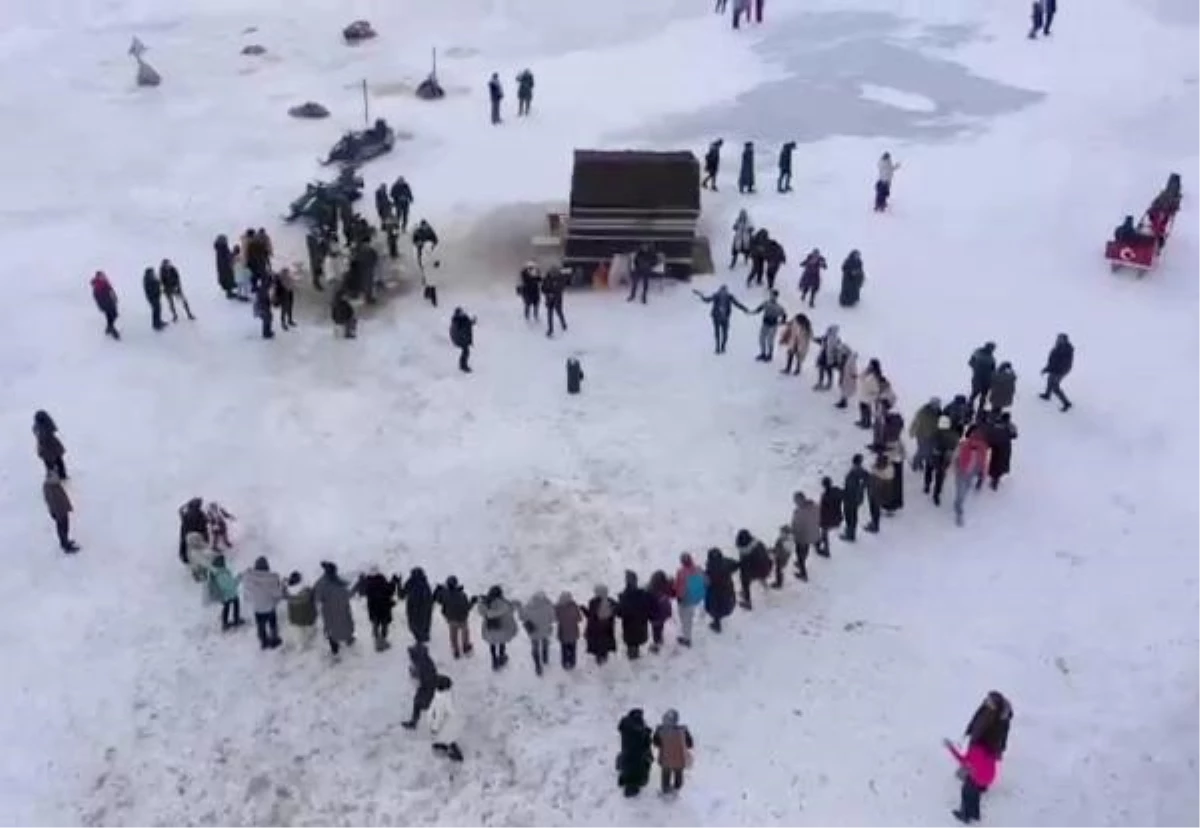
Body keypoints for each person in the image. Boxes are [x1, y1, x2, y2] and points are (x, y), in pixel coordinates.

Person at [943, 738, 997, 823]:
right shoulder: (989, 750)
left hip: (979, 779)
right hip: (990, 778)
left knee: (966, 790)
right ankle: (975, 814)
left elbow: (962, 760)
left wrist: (951, 748)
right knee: (975, 789)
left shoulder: (974, 751)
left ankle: (965, 815)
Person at [313, 561, 355, 656]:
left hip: (329, 611)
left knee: (331, 630)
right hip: (341, 609)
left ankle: (335, 650)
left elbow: (317, 598)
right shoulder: (338, 581)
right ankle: (349, 640)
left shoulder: (320, 583)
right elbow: (348, 593)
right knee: (346, 624)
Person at [242, 556, 284, 649]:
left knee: (260, 625)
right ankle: (274, 639)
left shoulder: (249, 578)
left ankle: (263, 641)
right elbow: (277, 594)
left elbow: (247, 594)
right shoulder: (271, 579)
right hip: (269, 607)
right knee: (272, 623)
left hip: (257, 608)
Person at [694, 285, 749, 354]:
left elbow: (706, 300)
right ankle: (722, 347)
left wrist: (701, 295)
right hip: (724, 317)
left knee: (717, 332)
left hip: (717, 317)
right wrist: (744, 309)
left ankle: (718, 348)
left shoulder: (717, 295)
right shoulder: (729, 296)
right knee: (724, 333)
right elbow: (737, 304)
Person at [952, 427, 990, 526]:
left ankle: (958, 504)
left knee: (963, 490)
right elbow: (983, 462)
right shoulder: (980, 446)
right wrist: (982, 473)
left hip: (965, 472)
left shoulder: (975, 446)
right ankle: (959, 508)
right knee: (962, 491)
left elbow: (956, 457)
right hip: (965, 472)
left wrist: (955, 467)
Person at [355, 567, 397, 651]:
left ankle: (377, 641)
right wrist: (393, 581)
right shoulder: (382, 580)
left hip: (373, 609)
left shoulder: (368, 583)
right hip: (384, 608)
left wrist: (361, 581)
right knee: (384, 625)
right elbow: (390, 590)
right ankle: (383, 641)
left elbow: (361, 592)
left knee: (375, 624)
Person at [653, 710, 694, 795]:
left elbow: (656, 743)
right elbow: (690, 744)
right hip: (679, 758)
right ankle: (676, 790)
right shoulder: (683, 730)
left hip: (665, 758)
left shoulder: (660, 730)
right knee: (678, 774)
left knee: (665, 775)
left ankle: (665, 791)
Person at [433, 576, 476, 658]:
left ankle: (456, 651)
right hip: (462, 619)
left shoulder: (444, 594)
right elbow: (467, 607)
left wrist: (438, 590)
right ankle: (465, 646)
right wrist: (472, 602)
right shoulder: (462, 595)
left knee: (453, 635)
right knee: (465, 633)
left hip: (451, 618)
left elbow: (437, 599)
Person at [478, 585, 518, 670]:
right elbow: (511, 610)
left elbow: (481, 612)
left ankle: (494, 660)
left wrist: (483, 601)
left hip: (489, 629)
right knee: (501, 642)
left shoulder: (485, 603)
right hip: (502, 629)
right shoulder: (504, 604)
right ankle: (501, 657)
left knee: (492, 644)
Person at [616, 709, 653, 797]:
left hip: (626, 752)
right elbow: (645, 741)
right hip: (637, 755)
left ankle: (626, 781)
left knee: (627, 766)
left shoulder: (625, 724)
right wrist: (647, 732)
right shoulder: (639, 726)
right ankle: (633, 785)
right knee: (637, 769)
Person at [518, 590, 556, 675]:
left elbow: (521, 618)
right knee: (545, 643)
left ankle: (538, 666)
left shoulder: (528, 607)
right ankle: (545, 658)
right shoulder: (548, 606)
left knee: (535, 647)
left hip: (534, 632)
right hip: (545, 631)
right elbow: (553, 619)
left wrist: (519, 608)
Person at [616, 572, 652, 659]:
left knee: (632, 644)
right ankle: (635, 655)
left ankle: (633, 659)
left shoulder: (625, 596)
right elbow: (648, 608)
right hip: (640, 626)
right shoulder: (643, 594)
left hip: (630, 628)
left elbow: (620, 613)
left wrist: (617, 605)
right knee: (636, 643)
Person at [402, 643, 439, 728]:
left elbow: (424, 677)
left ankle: (416, 723)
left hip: (427, 687)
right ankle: (415, 722)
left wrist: (414, 674)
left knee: (424, 704)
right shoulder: (423, 661)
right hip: (427, 687)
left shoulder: (423, 663)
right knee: (419, 704)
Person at [428, 675, 464, 762]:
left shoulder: (441, 698)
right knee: (447, 735)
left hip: (448, 722)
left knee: (445, 735)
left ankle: (452, 752)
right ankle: (445, 746)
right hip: (452, 721)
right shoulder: (447, 695)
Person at [672, 553, 706, 646]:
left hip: (684, 601)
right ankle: (687, 636)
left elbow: (676, 587)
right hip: (694, 599)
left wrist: (677, 595)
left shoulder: (681, 572)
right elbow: (706, 581)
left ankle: (687, 639)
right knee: (689, 618)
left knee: (685, 620)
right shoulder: (699, 569)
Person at [42, 469, 78, 553]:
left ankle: (65, 542)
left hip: (62, 509)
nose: (58, 478)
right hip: (59, 511)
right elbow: (51, 502)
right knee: (62, 527)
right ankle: (66, 545)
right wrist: (55, 512)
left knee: (64, 527)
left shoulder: (54, 485)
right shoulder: (50, 488)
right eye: (56, 477)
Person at [734, 529, 770, 609]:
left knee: (744, 577)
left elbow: (744, 566)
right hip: (767, 568)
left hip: (759, 570)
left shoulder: (747, 553)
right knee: (754, 570)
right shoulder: (758, 543)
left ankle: (747, 601)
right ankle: (764, 582)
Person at [703, 548, 738, 632]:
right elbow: (736, 564)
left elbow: (705, 584)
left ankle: (717, 623)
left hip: (717, 598)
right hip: (730, 597)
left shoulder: (709, 571)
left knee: (713, 601)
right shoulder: (726, 563)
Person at [398, 567, 435, 644]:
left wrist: (398, 584)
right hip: (423, 609)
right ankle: (423, 638)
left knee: (414, 626)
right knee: (423, 625)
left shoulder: (410, 582)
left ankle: (419, 641)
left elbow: (401, 595)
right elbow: (430, 599)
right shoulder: (424, 582)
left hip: (412, 608)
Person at [1039, 333, 1074, 411]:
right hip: (1055, 369)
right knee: (1049, 380)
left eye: (1061, 339)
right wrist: (1047, 368)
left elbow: (1062, 363)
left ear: (1065, 340)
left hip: (1060, 371)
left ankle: (1067, 403)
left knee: (1055, 386)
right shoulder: (1057, 347)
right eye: (1058, 338)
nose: (1058, 340)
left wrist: (1052, 369)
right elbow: (1052, 361)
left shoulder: (1066, 350)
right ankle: (1047, 395)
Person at [206, 555, 242, 630]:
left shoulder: (218, 572)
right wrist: (239, 578)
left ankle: (225, 622)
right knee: (235, 603)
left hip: (224, 595)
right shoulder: (222, 573)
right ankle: (235, 620)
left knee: (227, 607)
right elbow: (231, 584)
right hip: (228, 594)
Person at [984, 412, 1018, 490]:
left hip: (995, 445)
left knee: (994, 460)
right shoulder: (1010, 425)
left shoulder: (996, 423)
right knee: (1001, 462)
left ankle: (992, 475)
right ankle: (996, 479)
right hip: (1005, 446)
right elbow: (1014, 435)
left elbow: (990, 431)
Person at [585, 585, 618, 665]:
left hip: (596, 630)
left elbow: (591, 616)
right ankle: (604, 663)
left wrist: (584, 611)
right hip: (608, 629)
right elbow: (616, 612)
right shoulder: (611, 601)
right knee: (605, 647)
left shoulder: (593, 602)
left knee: (598, 647)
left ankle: (600, 663)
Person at [284, 571, 318, 649]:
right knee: (310, 632)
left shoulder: (287, 593)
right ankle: (311, 641)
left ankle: (300, 646)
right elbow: (315, 597)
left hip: (294, 619)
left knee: (298, 633)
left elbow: (283, 590)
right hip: (308, 618)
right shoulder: (308, 591)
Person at [751, 290, 786, 362]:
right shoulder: (766, 303)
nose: (772, 297)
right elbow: (759, 309)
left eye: (774, 296)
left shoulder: (779, 307)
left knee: (770, 340)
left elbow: (784, 315)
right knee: (761, 339)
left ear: (776, 297)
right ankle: (763, 353)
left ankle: (770, 355)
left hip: (773, 325)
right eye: (771, 295)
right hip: (765, 323)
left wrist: (782, 321)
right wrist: (752, 312)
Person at [841, 454, 869, 540]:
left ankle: (850, 534)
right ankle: (850, 530)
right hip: (855, 498)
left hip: (851, 498)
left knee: (850, 516)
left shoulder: (855, 473)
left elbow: (851, 486)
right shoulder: (863, 472)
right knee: (852, 515)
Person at [32, 410, 67, 479]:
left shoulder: (38, 426)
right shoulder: (47, 424)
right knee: (57, 460)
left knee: (51, 462)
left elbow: (39, 435)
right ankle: (60, 475)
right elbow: (53, 429)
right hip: (51, 444)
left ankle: (55, 476)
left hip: (47, 446)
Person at [554, 592, 584, 668]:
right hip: (573, 632)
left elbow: (555, 618)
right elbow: (579, 619)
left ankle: (565, 663)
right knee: (573, 649)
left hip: (563, 632)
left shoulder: (558, 607)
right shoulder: (574, 606)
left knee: (564, 649)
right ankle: (572, 662)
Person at [646, 571, 674, 653]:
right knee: (660, 627)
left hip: (655, 614)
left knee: (656, 630)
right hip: (664, 613)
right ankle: (660, 639)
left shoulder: (651, 590)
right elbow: (671, 586)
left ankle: (657, 645)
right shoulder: (665, 587)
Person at [817, 477, 843, 556]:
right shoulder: (837, 490)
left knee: (824, 532)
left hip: (828, 519)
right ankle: (819, 541)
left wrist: (819, 520)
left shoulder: (825, 496)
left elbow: (823, 510)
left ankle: (826, 550)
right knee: (824, 532)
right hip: (837, 516)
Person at [90, 271, 120, 339]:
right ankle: (112, 330)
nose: (103, 277)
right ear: (98, 277)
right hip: (106, 304)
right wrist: (106, 302)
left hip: (110, 302)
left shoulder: (105, 282)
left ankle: (109, 328)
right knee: (113, 315)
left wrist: (114, 297)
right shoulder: (98, 284)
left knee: (112, 316)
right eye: (101, 276)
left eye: (103, 275)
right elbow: (97, 296)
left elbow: (111, 290)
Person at [542, 266, 567, 337]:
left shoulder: (560, 278)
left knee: (559, 312)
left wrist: (554, 294)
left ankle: (563, 324)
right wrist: (548, 293)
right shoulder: (546, 279)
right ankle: (550, 329)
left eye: (554, 272)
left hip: (557, 298)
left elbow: (561, 288)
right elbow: (543, 288)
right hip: (549, 299)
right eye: (552, 272)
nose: (553, 273)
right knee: (549, 314)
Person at [450, 308, 477, 373]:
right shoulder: (456, 321)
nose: (462, 313)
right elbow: (455, 332)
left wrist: (473, 321)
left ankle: (463, 365)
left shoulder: (464, 318)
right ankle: (463, 366)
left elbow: (469, 323)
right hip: (461, 340)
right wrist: (462, 337)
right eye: (460, 313)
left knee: (466, 352)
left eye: (462, 312)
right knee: (466, 352)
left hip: (465, 338)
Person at [142, 266, 166, 331]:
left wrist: (157, 283)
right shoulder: (148, 280)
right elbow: (151, 289)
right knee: (156, 310)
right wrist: (158, 284)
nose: (153, 273)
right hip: (152, 298)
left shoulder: (151, 278)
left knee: (158, 310)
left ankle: (159, 321)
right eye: (152, 272)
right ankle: (156, 324)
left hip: (155, 297)